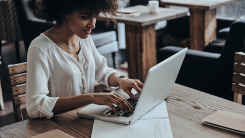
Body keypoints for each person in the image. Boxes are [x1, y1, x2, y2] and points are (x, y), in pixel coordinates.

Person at [26, 0, 144, 118]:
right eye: (85, 17)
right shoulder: (40, 48)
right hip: (59, 125)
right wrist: (91, 98)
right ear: (64, 12)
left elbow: (102, 71)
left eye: (95, 17)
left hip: (86, 117)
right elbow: (35, 106)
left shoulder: (84, 38)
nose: (93, 25)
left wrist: (120, 79)